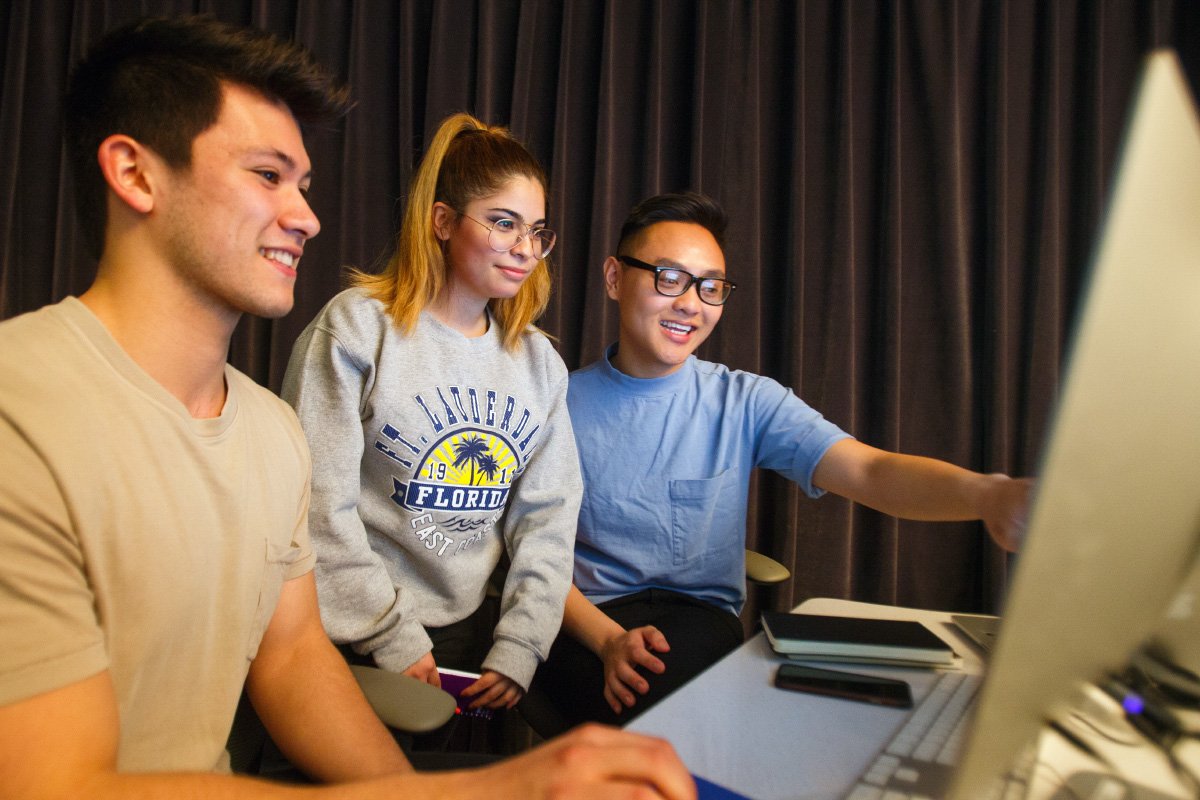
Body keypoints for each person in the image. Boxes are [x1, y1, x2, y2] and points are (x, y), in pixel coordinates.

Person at [0, 16, 695, 799]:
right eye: (267, 175)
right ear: (134, 173)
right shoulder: (19, 409)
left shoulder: (267, 429)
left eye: (303, 184)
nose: (307, 217)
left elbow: (295, 656)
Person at [530, 191, 1033, 731]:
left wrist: (989, 495)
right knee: (648, 720)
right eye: (668, 277)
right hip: (582, 620)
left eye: (710, 287)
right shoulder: (555, 402)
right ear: (613, 278)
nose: (690, 304)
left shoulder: (745, 401)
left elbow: (869, 470)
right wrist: (607, 640)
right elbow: (528, 549)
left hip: (696, 622)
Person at [281, 112, 580, 714]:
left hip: (477, 637)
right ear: (442, 222)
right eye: (503, 223)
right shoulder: (358, 328)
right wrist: (388, 634)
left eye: (537, 231)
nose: (526, 249)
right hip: (351, 631)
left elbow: (547, 522)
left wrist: (521, 646)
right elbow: (315, 506)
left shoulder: (539, 364)